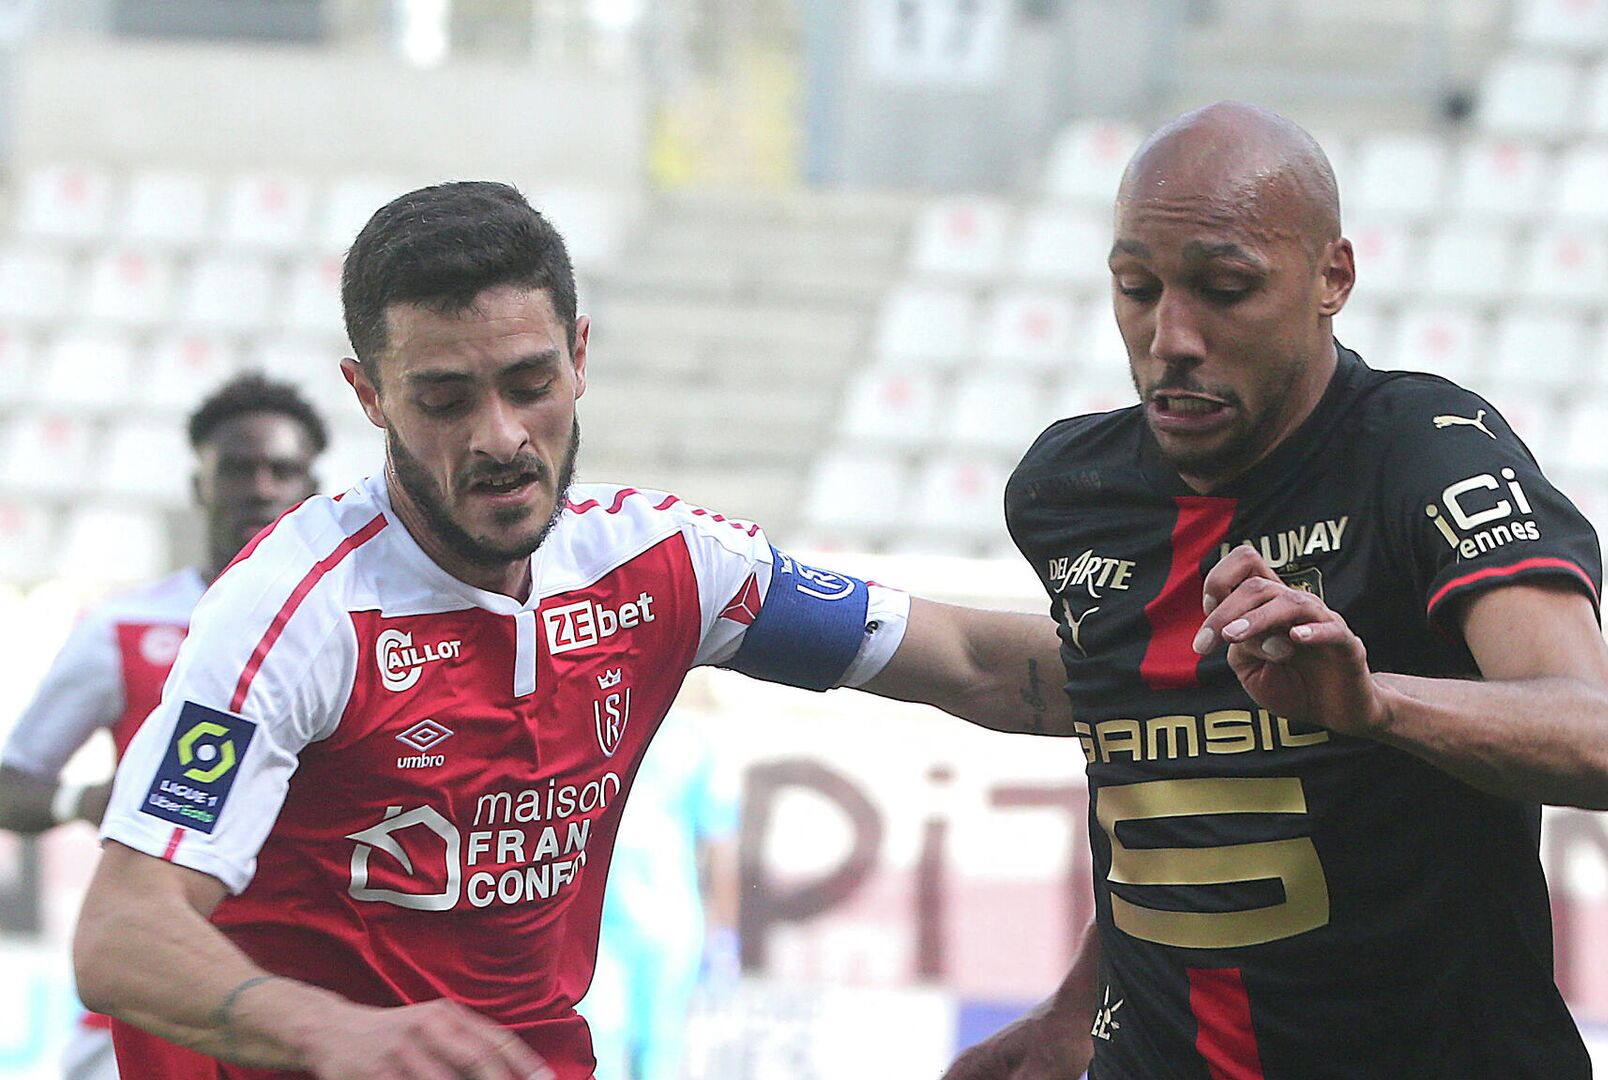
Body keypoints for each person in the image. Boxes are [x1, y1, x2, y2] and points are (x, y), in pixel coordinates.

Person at [72, 180, 1069, 1080]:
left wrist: (1202, 673)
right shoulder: (294, 611)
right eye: (445, 400)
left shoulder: (665, 567)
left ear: (580, 357)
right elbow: (122, 931)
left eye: (528, 381)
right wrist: (332, 1032)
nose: (500, 436)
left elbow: (976, 664)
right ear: (368, 396)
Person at [943, 102, 1608, 1079]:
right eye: (1136, 288)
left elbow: (1603, 742)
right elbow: (1171, 789)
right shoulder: (1068, 491)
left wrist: (1373, 703)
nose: (1171, 335)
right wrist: (1078, 1006)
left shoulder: (1423, 454)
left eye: (1225, 289)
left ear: (1333, 278)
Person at [0, 375, 326, 1080]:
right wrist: (81, 801)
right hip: (160, 993)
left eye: (282, 470)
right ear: (199, 485)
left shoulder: (351, 631)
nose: (261, 488)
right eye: (238, 468)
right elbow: (8, 781)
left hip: (315, 994)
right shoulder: (124, 629)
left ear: (314, 485)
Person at [583, 709, 738, 1080]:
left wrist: (725, 932)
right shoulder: (589, 725)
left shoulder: (693, 739)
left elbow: (720, 840)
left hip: (668, 921)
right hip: (596, 926)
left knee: (659, 1047)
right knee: (595, 1045)